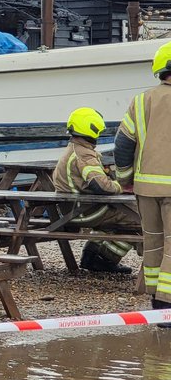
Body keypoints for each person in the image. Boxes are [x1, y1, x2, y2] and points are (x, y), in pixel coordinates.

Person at [114, 40, 171, 311]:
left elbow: (123, 144)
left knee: (154, 243)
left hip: (146, 189)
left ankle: (156, 303)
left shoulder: (141, 101)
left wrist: (125, 179)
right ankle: (168, 306)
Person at [54, 107, 132, 272]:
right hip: (83, 212)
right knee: (139, 217)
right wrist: (122, 187)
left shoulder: (75, 149)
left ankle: (91, 256)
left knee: (122, 215)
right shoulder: (84, 154)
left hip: (76, 210)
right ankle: (105, 259)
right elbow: (101, 185)